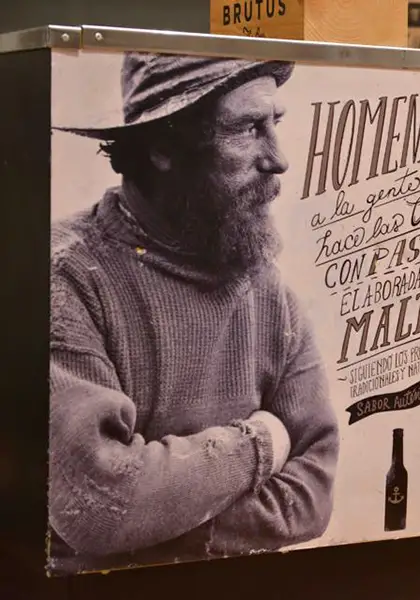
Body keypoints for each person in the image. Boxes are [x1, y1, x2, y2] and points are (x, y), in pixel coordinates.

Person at [48, 52, 340, 575]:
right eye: (248, 129)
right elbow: (98, 506)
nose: (277, 159)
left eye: (274, 123)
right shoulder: (67, 279)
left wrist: (152, 527)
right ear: (164, 147)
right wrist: (262, 443)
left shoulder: (269, 292)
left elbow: (312, 494)